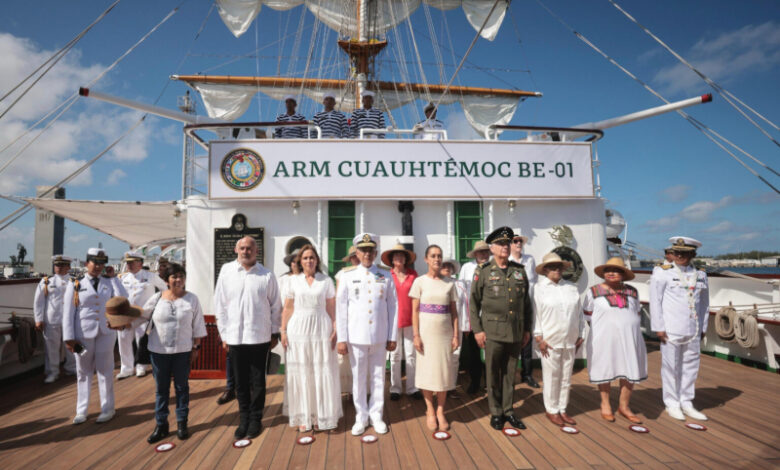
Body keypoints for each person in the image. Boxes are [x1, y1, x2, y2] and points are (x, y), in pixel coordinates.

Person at [214, 236, 282, 440]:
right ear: (236, 250)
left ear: (256, 251)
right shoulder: (226, 271)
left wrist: (275, 333)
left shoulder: (266, 274)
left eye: (249, 248)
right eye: (242, 248)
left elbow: (276, 306)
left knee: (258, 382)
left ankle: (255, 419)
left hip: (259, 337)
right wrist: (224, 334)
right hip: (235, 337)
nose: (246, 251)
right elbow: (220, 305)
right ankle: (243, 419)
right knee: (240, 383)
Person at [470, 227, 532, 431]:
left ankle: (508, 410)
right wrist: (478, 330)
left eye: (507, 243)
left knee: (510, 373)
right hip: (492, 332)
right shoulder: (483, 271)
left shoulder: (519, 270)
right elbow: (474, 303)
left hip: (515, 331)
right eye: (500, 244)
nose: (505, 246)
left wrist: (527, 329)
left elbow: (526, 304)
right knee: (493, 373)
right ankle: (496, 412)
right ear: (492, 248)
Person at [336, 233, 398, 436]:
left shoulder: (386, 275)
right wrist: (342, 338)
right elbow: (341, 309)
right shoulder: (347, 275)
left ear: (376, 252)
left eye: (370, 250)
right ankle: (361, 416)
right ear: (357, 252)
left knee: (379, 377)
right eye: (363, 250)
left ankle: (376, 415)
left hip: (379, 335)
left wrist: (392, 336)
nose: (367, 254)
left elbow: (393, 306)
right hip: (356, 336)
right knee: (359, 378)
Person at [142, 263, 207, 443]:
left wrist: (196, 348)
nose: (178, 280)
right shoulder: (156, 298)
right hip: (158, 351)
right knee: (161, 389)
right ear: (166, 280)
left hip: (182, 351)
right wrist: (119, 322)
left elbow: (198, 325)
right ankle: (161, 425)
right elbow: (140, 316)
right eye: (174, 276)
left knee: (181, 388)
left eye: (181, 276)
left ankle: (181, 423)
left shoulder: (192, 299)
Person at [280, 245, 342, 431]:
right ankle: (304, 415)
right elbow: (288, 308)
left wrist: (335, 328)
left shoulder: (326, 281)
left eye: (312, 257)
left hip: (321, 328)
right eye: (305, 258)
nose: (309, 261)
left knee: (321, 370)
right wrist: (283, 331)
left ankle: (320, 415)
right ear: (300, 261)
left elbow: (331, 306)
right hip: (298, 330)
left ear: (317, 260)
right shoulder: (293, 281)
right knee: (302, 372)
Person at [63, 248, 128, 424]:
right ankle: (81, 410)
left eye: (102, 263)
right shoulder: (75, 283)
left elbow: (123, 299)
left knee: (105, 370)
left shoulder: (109, 282)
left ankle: (108, 409)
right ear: (86, 263)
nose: (98, 266)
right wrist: (69, 338)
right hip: (82, 335)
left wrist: (114, 278)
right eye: (95, 262)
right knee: (83, 371)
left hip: (106, 333)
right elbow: (68, 312)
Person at [650, 236, 710, 421]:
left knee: (691, 367)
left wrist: (703, 327)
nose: (680, 256)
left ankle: (686, 402)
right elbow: (655, 301)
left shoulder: (701, 275)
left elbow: (704, 304)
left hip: (693, 329)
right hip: (671, 329)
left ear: (693, 254)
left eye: (684, 253)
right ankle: (672, 403)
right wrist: (659, 328)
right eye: (677, 252)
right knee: (671, 367)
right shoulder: (662, 272)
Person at [583, 257, 647, 424]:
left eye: (616, 270)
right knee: (604, 368)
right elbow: (588, 315)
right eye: (608, 270)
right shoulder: (593, 291)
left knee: (629, 369)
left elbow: (636, 314)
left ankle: (624, 406)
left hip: (629, 338)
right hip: (604, 338)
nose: (611, 273)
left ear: (623, 274)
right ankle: (605, 404)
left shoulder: (633, 292)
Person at [410, 245, 459, 431]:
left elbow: (454, 313)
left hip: (444, 335)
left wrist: (456, 335)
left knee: (443, 373)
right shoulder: (419, 282)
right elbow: (415, 311)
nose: (437, 259)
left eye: (439, 256)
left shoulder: (449, 284)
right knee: (427, 372)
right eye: (433, 256)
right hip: (425, 335)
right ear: (426, 259)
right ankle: (430, 410)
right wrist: (416, 335)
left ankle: (440, 411)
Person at [533, 252, 584, 426]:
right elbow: (536, 315)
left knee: (566, 377)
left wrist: (581, 334)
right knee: (551, 377)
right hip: (550, 340)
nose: (557, 270)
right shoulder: (539, 289)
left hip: (570, 339)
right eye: (552, 267)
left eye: (559, 267)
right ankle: (551, 410)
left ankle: (562, 408)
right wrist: (539, 338)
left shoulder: (572, 288)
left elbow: (579, 313)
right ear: (545, 270)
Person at [117, 251, 167, 379]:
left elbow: (165, 290)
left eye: (132, 262)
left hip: (143, 315)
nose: (129, 265)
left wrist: (157, 305)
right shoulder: (123, 278)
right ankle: (126, 368)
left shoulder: (151, 276)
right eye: (128, 263)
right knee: (124, 341)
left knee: (141, 341)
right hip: (126, 315)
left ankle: (141, 366)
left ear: (140, 263)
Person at [381, 244, 421, 401]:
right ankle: (395, 388)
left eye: (402, 256)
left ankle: (412, 387)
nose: (399, 258)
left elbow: (419, 295)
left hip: (411, 318)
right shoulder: (386, 275)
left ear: (406, 259)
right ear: (392, 260)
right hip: (392, 319)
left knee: (411, 354)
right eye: (396, 256)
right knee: (395, 355)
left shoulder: (413, 274)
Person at [33, 255, 77, 383]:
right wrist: (38, 319)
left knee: (72, 345)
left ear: (68, 267)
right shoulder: (46, 282)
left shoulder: (75, 282)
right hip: (51, 320)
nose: (58, 267)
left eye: (62, 265)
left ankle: (72, 368)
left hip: (70, 319)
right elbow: (39, 302)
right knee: (51, 348)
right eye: (57, 265)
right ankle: (52, 372)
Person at [457, 240, 490, 394]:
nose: (483, 254)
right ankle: (475, 382)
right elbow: (462, 294)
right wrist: (465, 321)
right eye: (480, 251)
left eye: (485, 251)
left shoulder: (494, 267)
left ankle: (491, 383)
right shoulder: (467, 268)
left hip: (490, 316)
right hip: (473, 316)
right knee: (474, 352)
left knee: (491, 352)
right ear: (475, 254)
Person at [509, 231, 539, 389]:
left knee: (527, 342)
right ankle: (510, 375)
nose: (518, 243)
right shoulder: (506, 261)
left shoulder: (530, 260)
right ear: (510, 244)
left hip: (528, 306)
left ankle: (527, 374)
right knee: (511, 341)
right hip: (512, 307)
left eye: (520, 241)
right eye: (515, 241)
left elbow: (534, 282)